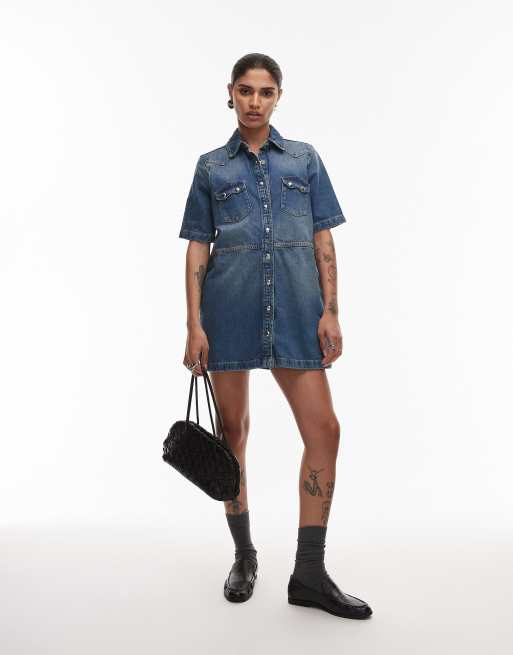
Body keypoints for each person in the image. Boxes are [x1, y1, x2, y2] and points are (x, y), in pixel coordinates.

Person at [178, 53, 372, 620]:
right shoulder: (212, 167)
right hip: (229, 312)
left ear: (278, 97)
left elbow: (323, 239)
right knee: (232, 435)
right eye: (246, 90)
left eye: (265, 92)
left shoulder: (304, 159)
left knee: (324, 430)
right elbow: (197, 246)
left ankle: (308, 572)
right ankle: (244, 554)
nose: (255, 101)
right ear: (230, 93)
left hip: (295, 311)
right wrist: (194, 324)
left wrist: (331, 310)